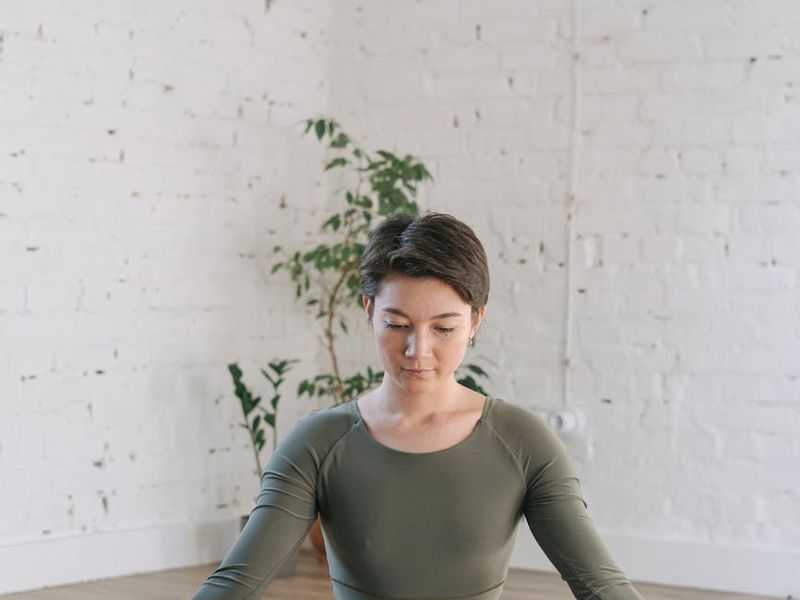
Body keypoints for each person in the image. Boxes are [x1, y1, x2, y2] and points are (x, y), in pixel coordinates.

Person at [191, 212, 643, 600]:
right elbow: (234, 584)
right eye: (397, 324)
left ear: (476, 321)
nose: (417, 350)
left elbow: (601, 586)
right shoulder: (318, 443)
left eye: (444, 328)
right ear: (369, 311)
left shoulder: (523, 442)